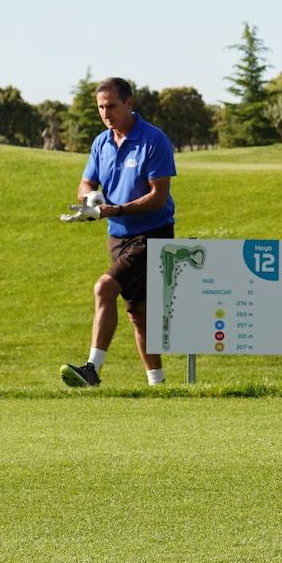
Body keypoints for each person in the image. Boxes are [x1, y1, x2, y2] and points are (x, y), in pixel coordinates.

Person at [60, 77, 177, 388]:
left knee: (104, 288)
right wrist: (90, 199)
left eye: (111, 105)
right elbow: (85, 183)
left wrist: (115, 209)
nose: (105, 112)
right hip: (118, 236)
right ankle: (158, 382)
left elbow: (158, 196)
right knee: (137, 312)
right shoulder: (101, 143)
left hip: (153, 234)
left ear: (130, 103)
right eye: (100, 107)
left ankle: (91, 370)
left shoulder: (154, 140)